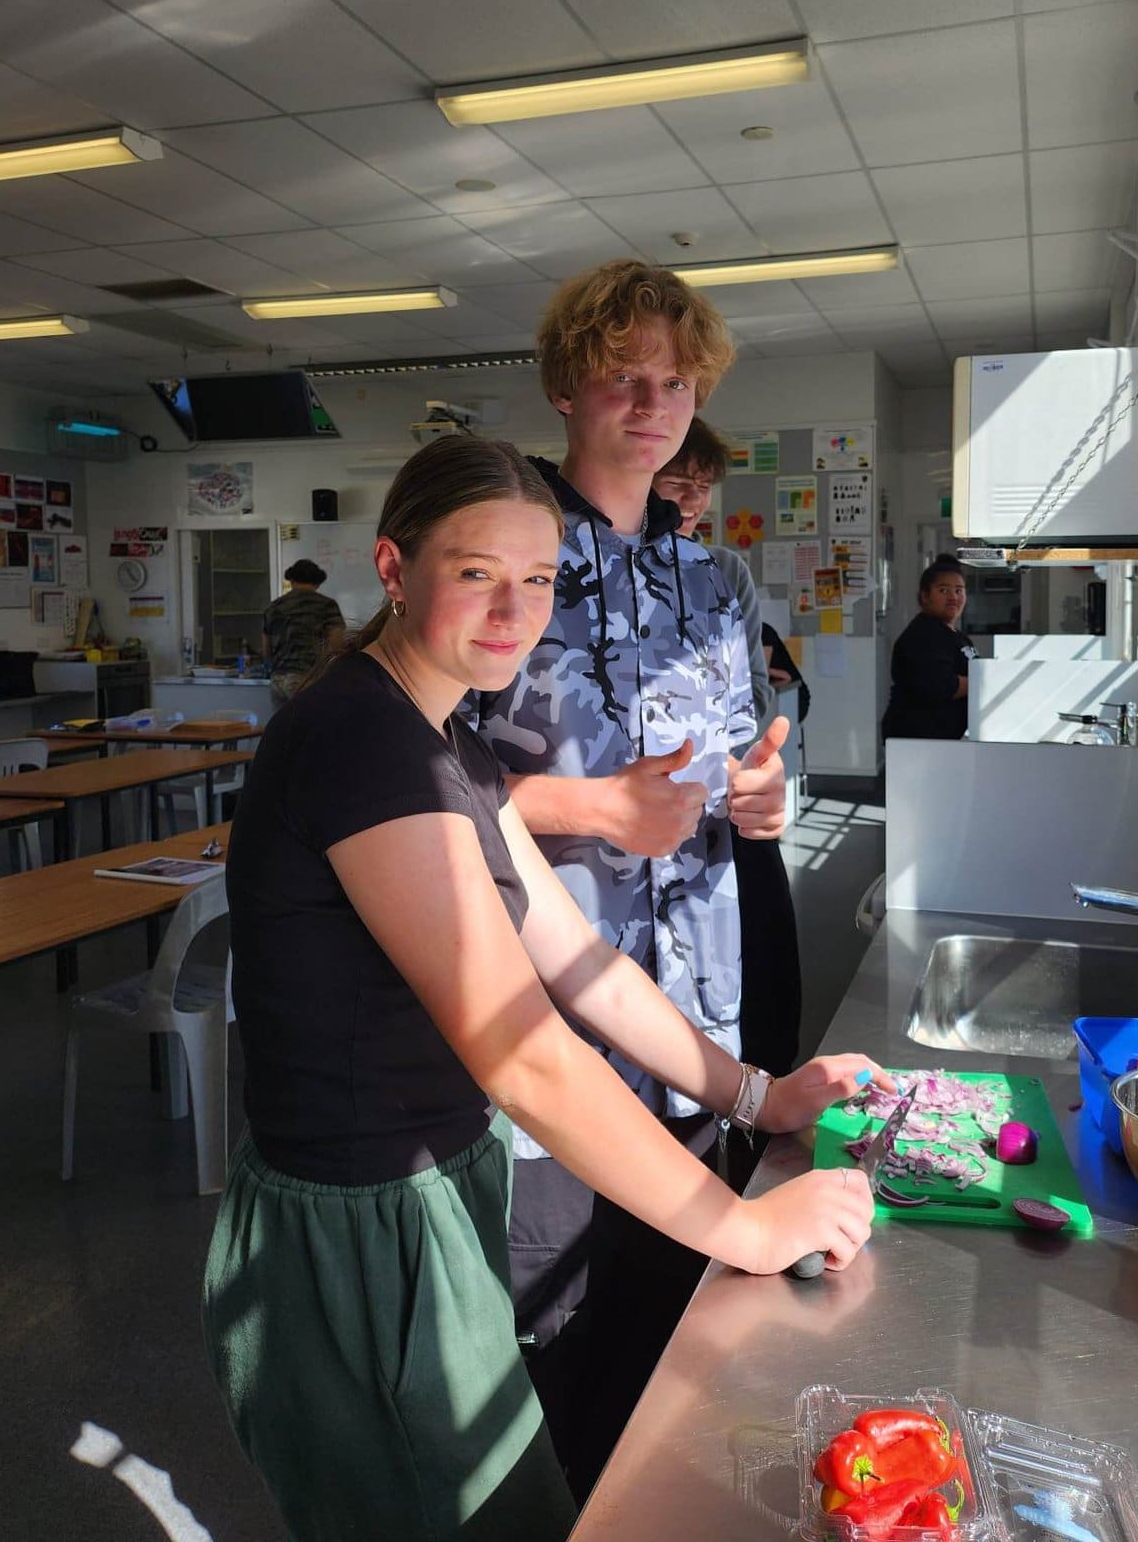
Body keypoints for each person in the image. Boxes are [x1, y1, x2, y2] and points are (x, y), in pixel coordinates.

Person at [202, 434, 881, 1542]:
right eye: (476, 572)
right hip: (365, 1227)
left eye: (538, 577)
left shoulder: (444, 739)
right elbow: (523, 1052)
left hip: (435, 1188)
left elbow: (580, 963)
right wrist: (744, 1232)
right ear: (392, 566)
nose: (514, 612)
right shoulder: (363, 743)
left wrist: (757, 1095)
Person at [469, 261, 788, 1493]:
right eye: (623, 378)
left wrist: (765, 799)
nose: (653, 405)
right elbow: (417, 786)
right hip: (543, 1037)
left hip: (693, 1020)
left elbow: (742, 758)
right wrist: (591, 806)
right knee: (551, 1349)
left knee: (677, 1336)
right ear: (567, 388)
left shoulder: (709, 580)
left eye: (674, 382)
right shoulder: (505, 561)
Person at [653, 418, 802, 1089]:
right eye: (677, 479)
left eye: (703, 484)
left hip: (721, 798)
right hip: (643, 817)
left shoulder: (723, 572)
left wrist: (739, 766)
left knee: (764, 972)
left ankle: (754, 1102)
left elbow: (752, 701)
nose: (691, 497)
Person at [881, 554, 977, 741]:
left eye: (959, 590)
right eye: (943, 590)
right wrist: (985, 679)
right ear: (924, 596)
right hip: (918, 739)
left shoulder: (959, 637)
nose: (953, 597)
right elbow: (945, 686)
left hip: (945, 740)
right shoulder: (922, 635)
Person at [261, 557, 344, 704]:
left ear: (292, 581)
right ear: (317, 582)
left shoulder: (274, 607)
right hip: (308, 677)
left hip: (278, 679)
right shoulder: (327, 605)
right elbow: (337, 644)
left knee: (283, 719)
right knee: (312, 719)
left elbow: (266, 650)